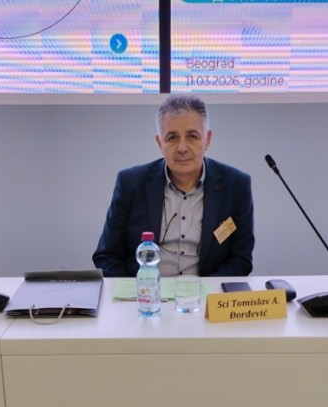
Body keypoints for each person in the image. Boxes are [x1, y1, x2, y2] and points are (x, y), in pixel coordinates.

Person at [93, 94, 254, 277]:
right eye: (172, 138)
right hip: (145, 292)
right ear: (159, 143)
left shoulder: (236, 186)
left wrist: (204, 289)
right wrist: (138, 290)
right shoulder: (130, 184)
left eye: (192, 136)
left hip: (204, 292)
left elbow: (241, 260)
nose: (182, 148)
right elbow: (107, 256)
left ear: (207, 140)